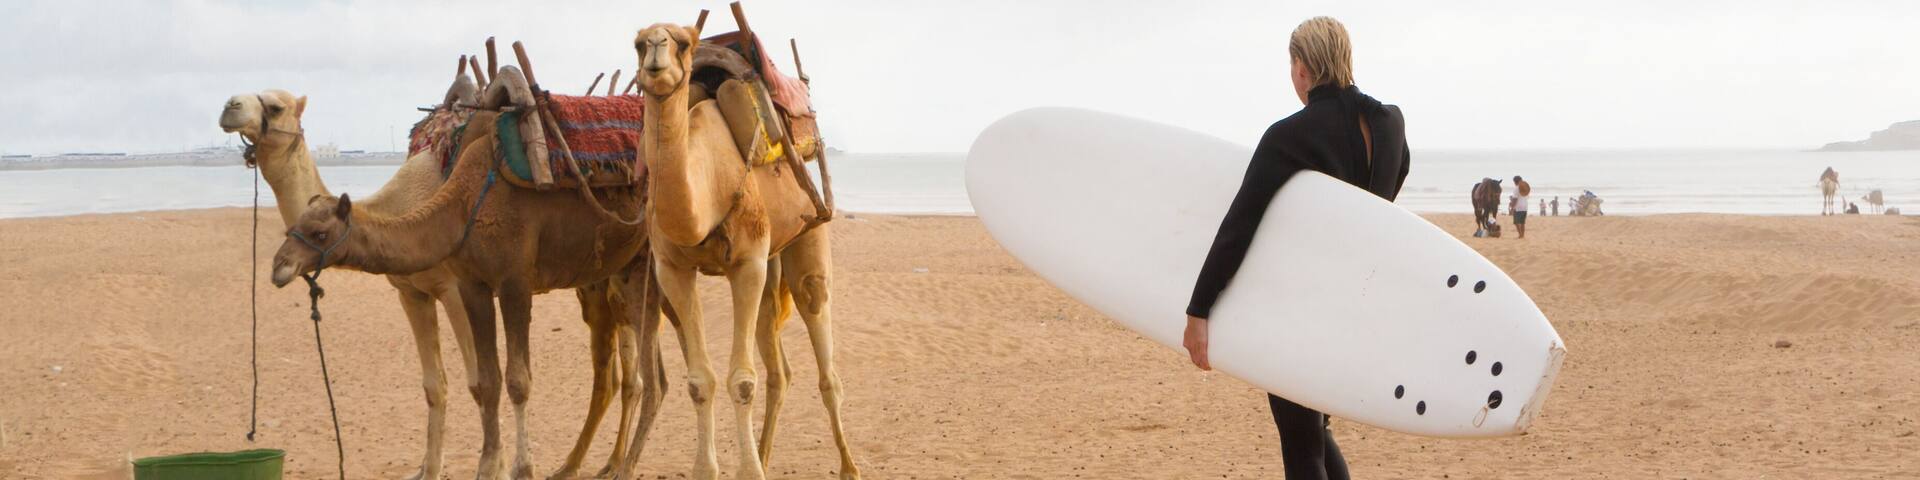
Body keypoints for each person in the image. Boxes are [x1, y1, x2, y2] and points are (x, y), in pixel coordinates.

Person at [1182, 16, 1407, 480]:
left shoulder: (1289, 136)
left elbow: (1239, 226)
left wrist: (1199, 310)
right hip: (1357, 304)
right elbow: (1393, 191)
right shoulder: (1391, 124)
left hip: (1302, 307)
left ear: (1302, 68)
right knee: (1315, 430)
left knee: (1302, 442)